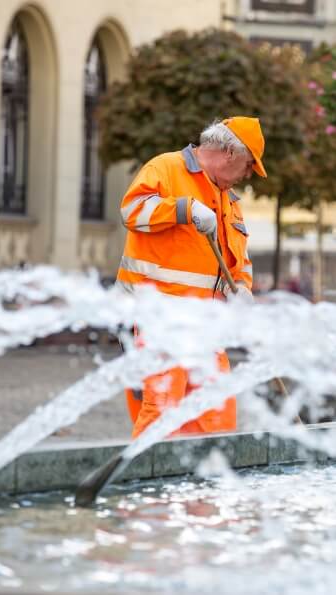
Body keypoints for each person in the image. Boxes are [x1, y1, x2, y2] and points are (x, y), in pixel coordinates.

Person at [117, 116, 267, 437]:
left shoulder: (229, 200)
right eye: (248, 165)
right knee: (162, 413)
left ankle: (205, 487)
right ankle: (149, 483)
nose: (248, 175)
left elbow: (237, 260)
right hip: (158, 318)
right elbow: (131, 212)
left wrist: (242, 288)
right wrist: (183, 209)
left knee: (216, 417)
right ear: (229, 153)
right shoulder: (166, 168)